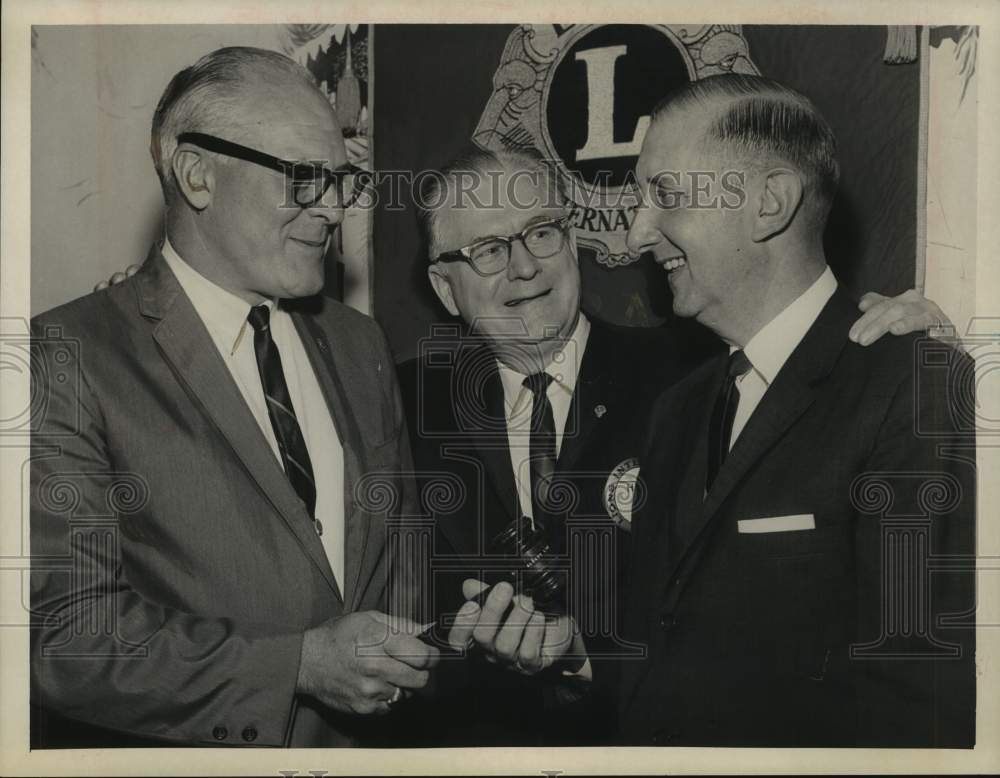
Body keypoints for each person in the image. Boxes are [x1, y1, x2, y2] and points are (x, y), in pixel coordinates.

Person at [390, 144, 952, 746]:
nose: (525, 267)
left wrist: (915, 341)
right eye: (489, 250)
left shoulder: (695, 373)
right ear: (445, 289)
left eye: (542, 232)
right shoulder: (395, 403)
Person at [30, 46, 437, 748]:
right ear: (197, 175)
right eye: (307, 178)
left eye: (343, 180)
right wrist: (297, 668)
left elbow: (400, 551)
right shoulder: (64, 356)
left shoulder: (359, 344)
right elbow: (68, 639)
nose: (335, 208)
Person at [620, 73, 976, 747]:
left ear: (770, 203)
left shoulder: (911, 385)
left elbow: (918, 696)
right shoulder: (678, 409)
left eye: (664, 194)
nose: (638, 234)